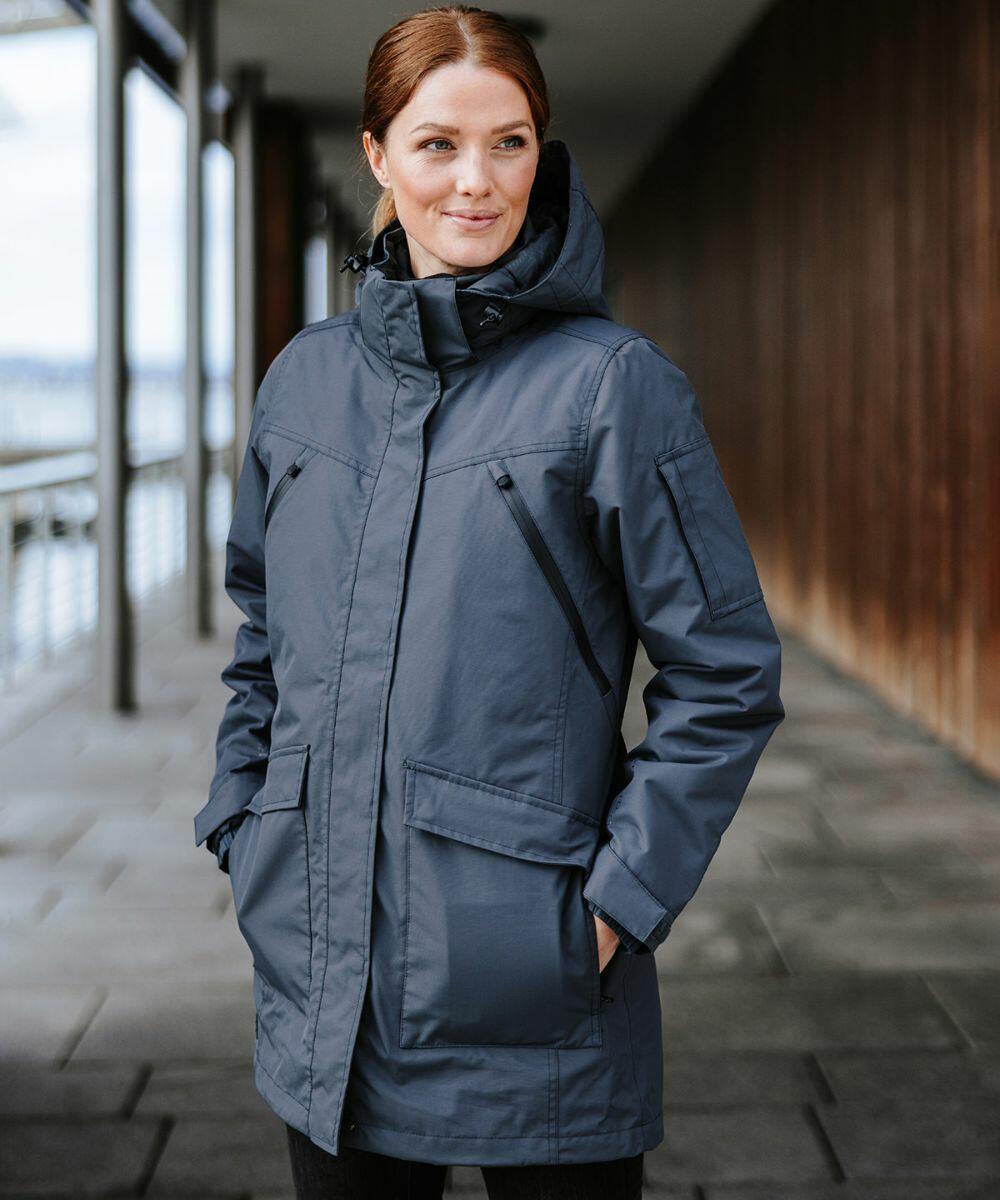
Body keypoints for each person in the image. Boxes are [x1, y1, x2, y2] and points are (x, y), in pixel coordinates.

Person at [193, 5, 785, 1198]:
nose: (478, 182)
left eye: (509, 143)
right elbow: (264, 628)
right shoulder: (303, 383)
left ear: (542, 151)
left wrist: (614, 908)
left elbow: (725, 673)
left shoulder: (615, 389)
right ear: (377, 155)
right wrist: (243, 816)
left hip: (538, 985)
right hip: (321, 977)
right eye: (438, 144)